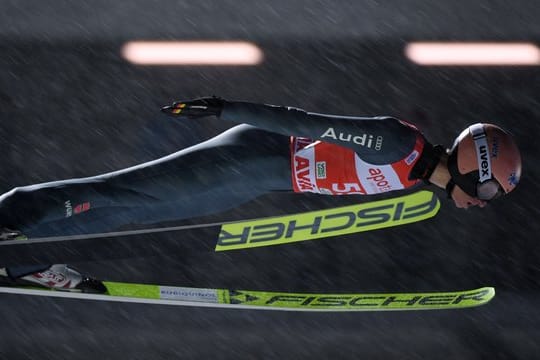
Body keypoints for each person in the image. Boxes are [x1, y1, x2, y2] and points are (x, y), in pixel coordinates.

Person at [0, 97, 522, 293]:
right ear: (475, 170)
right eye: (488, 192)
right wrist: (227, 108)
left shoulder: (416, 182)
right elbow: (305, 122)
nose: (482, 203)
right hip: (246, 158)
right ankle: (11, 213)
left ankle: (28, 257)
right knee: (123, 190)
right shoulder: (398, 143)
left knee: (131, 213)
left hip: (250, 184)